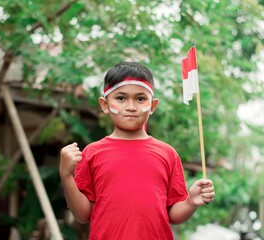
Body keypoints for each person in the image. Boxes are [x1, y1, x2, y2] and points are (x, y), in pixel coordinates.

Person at [59, 62, 215, 240]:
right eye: (121, 98)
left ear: (153, 105)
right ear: (104, 104)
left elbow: (173, 215)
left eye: (140, 99)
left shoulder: (167, 154)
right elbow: (82, 215)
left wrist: (190, 202)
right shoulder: (92, 152)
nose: (131, 107)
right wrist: (66, 176)